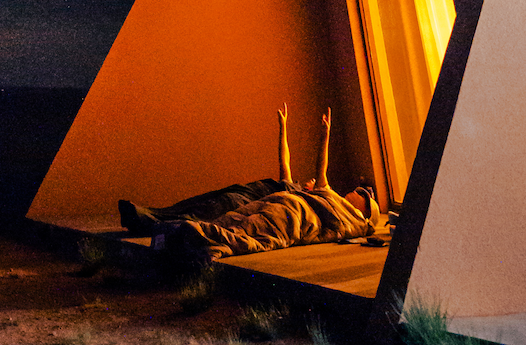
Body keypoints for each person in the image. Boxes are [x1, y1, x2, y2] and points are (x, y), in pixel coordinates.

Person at [119, 105, 386, 266]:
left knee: (238, 225)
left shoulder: (344, 213)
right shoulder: (320, 194)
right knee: (219, 210)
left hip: (285, 211)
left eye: (363, 196)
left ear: (363, 210)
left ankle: (174, 234)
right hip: (267, 199)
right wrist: (283, 127)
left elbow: (320, 171)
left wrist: (325, 135)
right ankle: (165, 227)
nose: (358, 192)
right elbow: (289, 167)